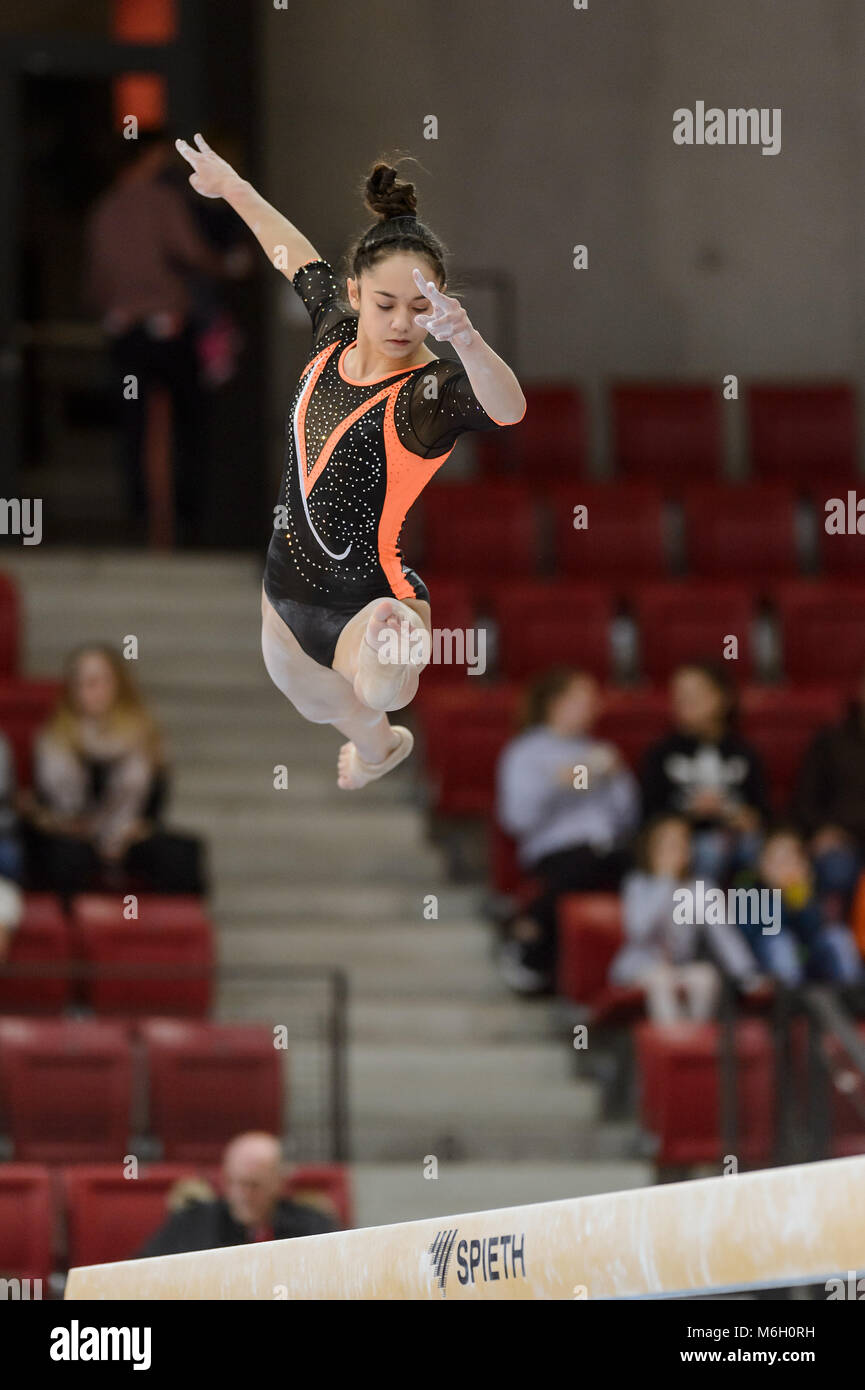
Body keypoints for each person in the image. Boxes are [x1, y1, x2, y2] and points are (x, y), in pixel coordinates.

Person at [174, 134, 526, 788]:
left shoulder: (429, 392)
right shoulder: (333, 331)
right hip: (283, 597)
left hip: (371, 597)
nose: (401, 323)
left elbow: (508, 411)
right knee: (324, 706)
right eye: (385, 304)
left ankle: (391, 662)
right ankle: (375, 745)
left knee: (383, 685)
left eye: (421, 308)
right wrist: (233, 189)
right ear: (355, 292)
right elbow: (293, 255)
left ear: (441, 303)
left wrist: (469, 343)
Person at [85, 129, 243, 539]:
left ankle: (140, 513)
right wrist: (227, 266)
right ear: (148, 158)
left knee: (133, 425)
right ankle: (189, 517)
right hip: (168, 330)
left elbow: (95, 283)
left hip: (125, 331)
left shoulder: (104, 208)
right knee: (190, 423)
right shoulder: (161, 202)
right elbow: (191, 252)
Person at [495, 667, 639, 993]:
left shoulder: (602, 752)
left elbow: (628, 816)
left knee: (646, 871)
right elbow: (516, 819)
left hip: (611, 850)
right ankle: (532, 946)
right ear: (556, 703)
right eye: (585, 698)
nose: (595, 706)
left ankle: (532, 930)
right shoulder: (525, 753)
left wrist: (616, 777)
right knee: (583, 864)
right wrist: (561, 782)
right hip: (556, 852)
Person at [21, 644, 205, 895]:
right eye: (85, 682)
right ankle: (79, 927)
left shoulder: (145, 737)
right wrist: (64, 826)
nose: (93, 691)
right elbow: (40, 808)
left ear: (119, 685)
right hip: (69, 837)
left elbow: (154, 811)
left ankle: (165, 929)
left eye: (101, 681)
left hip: (127, 837)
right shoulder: (52, 743)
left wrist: (133, 832)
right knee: (65, 856)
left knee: (179, 855)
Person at [609, 814, 764, 1022]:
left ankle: (694, 1042)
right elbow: (638, 931)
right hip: (639, 968)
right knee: (661, 979)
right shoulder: (638, 884)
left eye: (681, 842)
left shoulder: (701, 888)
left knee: (706, 976)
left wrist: (747, 973)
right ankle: (670, 1044)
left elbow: (725, 936)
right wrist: (665, 882)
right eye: (668, 843)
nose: (676, 849)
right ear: (652, 848)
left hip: (679, 967)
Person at [640, 662, 768, 883]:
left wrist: (738, 815)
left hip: (739, 841)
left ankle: (754, 917)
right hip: (686, 843)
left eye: (694, 694)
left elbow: (763, 813)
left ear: (722, 698)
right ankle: (698, 916)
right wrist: (689, 814)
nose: (684, 703)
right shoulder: (661, 753)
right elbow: (648, 817)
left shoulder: (744, 752)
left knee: (761, 850)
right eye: (678, 696)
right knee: (709, 850)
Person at [134, 1132, 335, 1257]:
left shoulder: (312, 1227)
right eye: (233, 1183)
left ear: (278, 1183)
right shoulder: (193, 1222)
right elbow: (142, 1275)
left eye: (253, 1185)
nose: (241, 1194)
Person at [732, 827, 863, 987]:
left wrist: (801, 901)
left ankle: (855, 995)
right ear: (762, 865)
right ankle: (790, 999)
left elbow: (815, 930)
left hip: (808, 959)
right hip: (766, 961)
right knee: (780, 941)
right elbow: (749, 934)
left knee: (838, 935)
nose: (784, 867)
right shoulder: (749, 890)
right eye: (777, 861)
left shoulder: (807, 891)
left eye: (791, 860)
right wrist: (778, 897)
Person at [792, 667, 865, 924]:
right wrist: (819, 831)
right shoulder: (831, 740)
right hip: (839, 840)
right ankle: (834, 941)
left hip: (851, 832)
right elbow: (805, 800)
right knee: (836, 867)